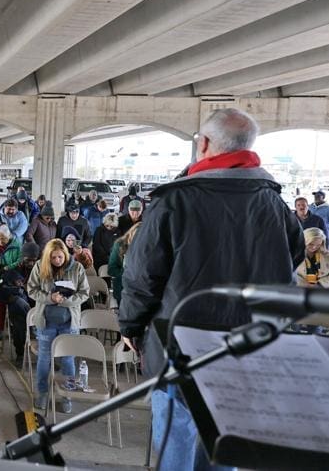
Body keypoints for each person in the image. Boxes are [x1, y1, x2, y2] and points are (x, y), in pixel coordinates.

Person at [118, 108, 304, 471]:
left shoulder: (175, 200)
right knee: (224, 447)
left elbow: (142, 275)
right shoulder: (274, 204)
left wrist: (131, 327)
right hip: (248, 350)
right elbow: (293, 255)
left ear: (203, 144)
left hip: (181, 348)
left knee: (177, 443)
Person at [27, 238, 89, 413]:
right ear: (48, 256)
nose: (57, 261)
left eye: (60, 257)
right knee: (44, 358)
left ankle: (66, 395)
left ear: (66, 255)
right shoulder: (40, 266)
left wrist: (66, 301)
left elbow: (85, 293)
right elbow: (31, 289)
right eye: (53, 258)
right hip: (46, 321)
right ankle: (42, 393)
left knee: (68, 359)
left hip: (69, 320)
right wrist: (50, 298)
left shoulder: (77, 268)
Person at [108, 223, 141, 305]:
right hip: (123, 288)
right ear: (131, 233)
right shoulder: (119, 245)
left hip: (141, 290)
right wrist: (126, 271)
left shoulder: (149, 247)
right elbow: (111, 269)